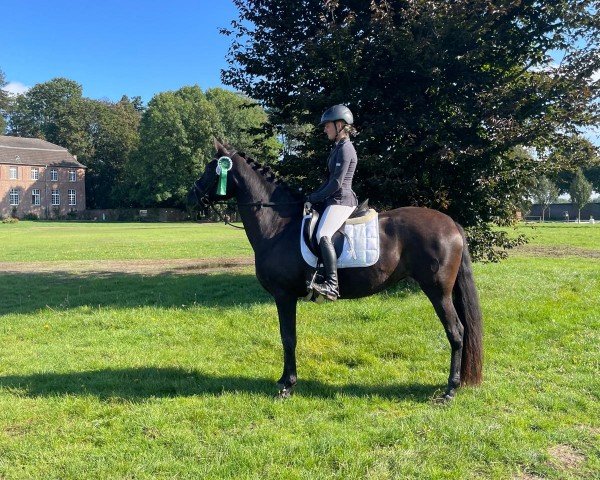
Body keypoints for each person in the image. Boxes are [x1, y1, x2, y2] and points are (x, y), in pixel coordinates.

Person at [305, 104, 358, 301]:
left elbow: (336, 183)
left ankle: (332, 285)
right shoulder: (337, 148)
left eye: (327, 125)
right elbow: (329, 181)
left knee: (323, 233)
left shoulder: (346, 149)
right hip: (334, 199)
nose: (325, 129)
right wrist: (312, 195)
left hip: (342, 200)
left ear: (340, 125)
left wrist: (315, 198)